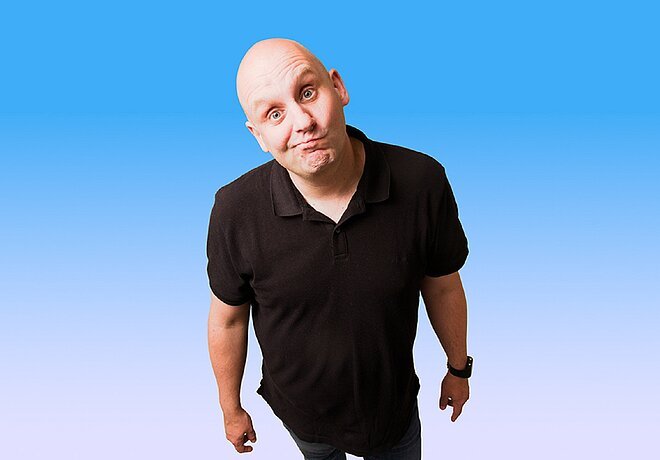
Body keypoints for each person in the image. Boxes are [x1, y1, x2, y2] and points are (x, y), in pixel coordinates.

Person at [206, 38, 472, 459]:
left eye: (307, 92)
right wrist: (230, 408)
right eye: (274, 113)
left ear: (338, 87)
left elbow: (442, 286)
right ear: (258, 136)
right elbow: (227, 320)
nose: (302, 122)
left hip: (393, 412)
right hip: (303, 417)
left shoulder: (422, 181)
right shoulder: (234, 210)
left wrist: (458, 368)